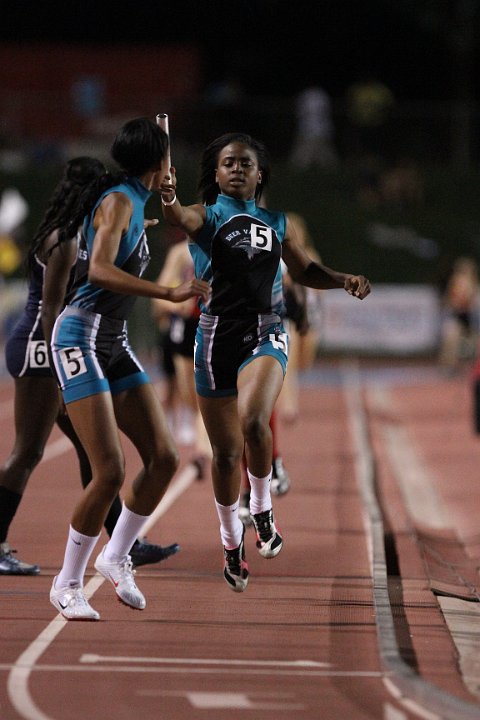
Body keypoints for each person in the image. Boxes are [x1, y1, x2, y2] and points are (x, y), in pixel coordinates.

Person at [160, 131, 371, 593]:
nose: (237, 168)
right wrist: (169, 195)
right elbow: (175, 213)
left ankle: (261, 509)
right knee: (225, 454)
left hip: (265, 329)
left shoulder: (277, 222)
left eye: (246, 163)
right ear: (215, 174)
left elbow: (304, 270)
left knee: (254, 422)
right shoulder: (206, 216)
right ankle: (231, 544)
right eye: (229, 162)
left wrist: (343, 280)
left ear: (260, 175)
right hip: (215, 336)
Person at [48, 118, 210, 620]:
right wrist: (167, 292)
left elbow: (170, 218)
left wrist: (166, 192)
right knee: (110, 470)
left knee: (163, 457)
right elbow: (97, 269)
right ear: (156, 160)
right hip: (80, 336)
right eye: (167, 160)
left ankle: (116, 556)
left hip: (113, 342)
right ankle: (67, 583)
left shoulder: (135, 200)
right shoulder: (118, 201)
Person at [0, 157, 180, 577]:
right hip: (41, 347)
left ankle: (124, 542)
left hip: (56, 346)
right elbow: (51, 309)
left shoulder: (81, 231)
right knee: (27, 451)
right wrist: (62, 371)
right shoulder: (63, 240)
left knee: (92, 451)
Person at [151, 238, 212, 478]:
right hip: (185, 328)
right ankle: (205, 443)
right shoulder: (181, 253)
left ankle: (202, 452)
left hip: (216, 325)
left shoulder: (230, 242)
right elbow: (162, 290)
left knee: (207, 393)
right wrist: (178, 305)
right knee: (189, 394)